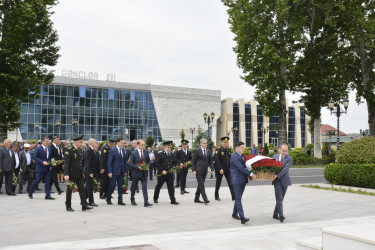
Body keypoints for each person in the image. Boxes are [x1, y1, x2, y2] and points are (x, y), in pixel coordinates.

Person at [64, 135, 92, 212]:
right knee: (69, 191)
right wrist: (66, 174)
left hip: (79, 174)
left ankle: (84, 205)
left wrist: (82, 172)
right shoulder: (69, 150)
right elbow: (66, 163)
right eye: (80, 142)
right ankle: (68, 206)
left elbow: (80, 162)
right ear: (76, 142)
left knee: (82, 190)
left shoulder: (79, 150)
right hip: (71, 174)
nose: (81, 143)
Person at [231, 141, 256, 224]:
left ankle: (234, 213)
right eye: (241, 148)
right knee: (238, 198)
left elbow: (246, 166)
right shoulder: (234, 157)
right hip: (236, 181)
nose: (243, 149)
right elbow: (240, 168)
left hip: (242, 180)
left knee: (239, 198)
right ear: (236, 148)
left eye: (243, 148)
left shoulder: (242, 156)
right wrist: (251, 174)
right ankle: (242, 217)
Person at [272, 144, 292, 222]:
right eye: (283, 150)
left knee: (281, 198)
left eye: (286, 151)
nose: (285, 152)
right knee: (279, 198)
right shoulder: (274, 157)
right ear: (280, 150)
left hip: (285, 180)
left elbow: (285, 169)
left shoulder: (289, 158)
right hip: (276, 181)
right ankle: (281, 215)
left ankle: (275, 214)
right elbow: (271, 166)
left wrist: (277, 175)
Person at [129, 139, 152, 207]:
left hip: (144, 173)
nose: (143, 146)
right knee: (133, 187)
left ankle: (146, 201)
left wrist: (148, 166)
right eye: (142, 145)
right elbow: (131, 164)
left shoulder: (145, 152)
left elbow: (148, 161)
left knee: (144, 187)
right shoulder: (133, 153)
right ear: (138, 145)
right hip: (136, 173)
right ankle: (132, 199)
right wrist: (137, 167)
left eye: (144, 144)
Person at [106, 138, 129, 206]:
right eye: (122, 143)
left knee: (120, 186)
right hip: (114, 171)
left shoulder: (124, 151)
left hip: (121, 172)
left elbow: (124, 162)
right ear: (118, 143)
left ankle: (120, 200)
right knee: (112, 185)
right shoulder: (112, 150)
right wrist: (109, 171)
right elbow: (109, 162)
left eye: (124, 143)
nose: (124, 144)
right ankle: (108, 198)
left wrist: (125, 171)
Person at [192, 138, 214, 204]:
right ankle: (205, 199)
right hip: (198, 170)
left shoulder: (208, 151)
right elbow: (193, 161)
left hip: (205, 170)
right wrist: (193, 170)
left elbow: (211, 161)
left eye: (206, 143)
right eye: (204, 143)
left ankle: (196, 198)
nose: (205, 144)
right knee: (201, 185)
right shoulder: (197, 151)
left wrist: (212, 169)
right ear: (201, 143)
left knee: (200, 184)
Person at [214, 137, 235, 201]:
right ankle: (216, 195)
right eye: (224, 142)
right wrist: (220, 169)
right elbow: (217, 160)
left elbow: (229, 159)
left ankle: (233, 196)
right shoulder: (218, 150)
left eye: (227, 142)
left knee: (230, 183)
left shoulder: (229, 149)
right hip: (221, 170)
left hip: (227, 169)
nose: (226, 144)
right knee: (218, 183)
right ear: (222, 142)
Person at [84, 138, 99, 207]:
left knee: (88, 186)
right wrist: (90, 172)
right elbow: (88, 162)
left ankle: (83, 199)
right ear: (92, 143)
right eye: (95, 142)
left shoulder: (91, 150)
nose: (96, 143)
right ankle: (91, 202)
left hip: (91, 171)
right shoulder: (89, 150)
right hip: (89, 172)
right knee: (89, 187)